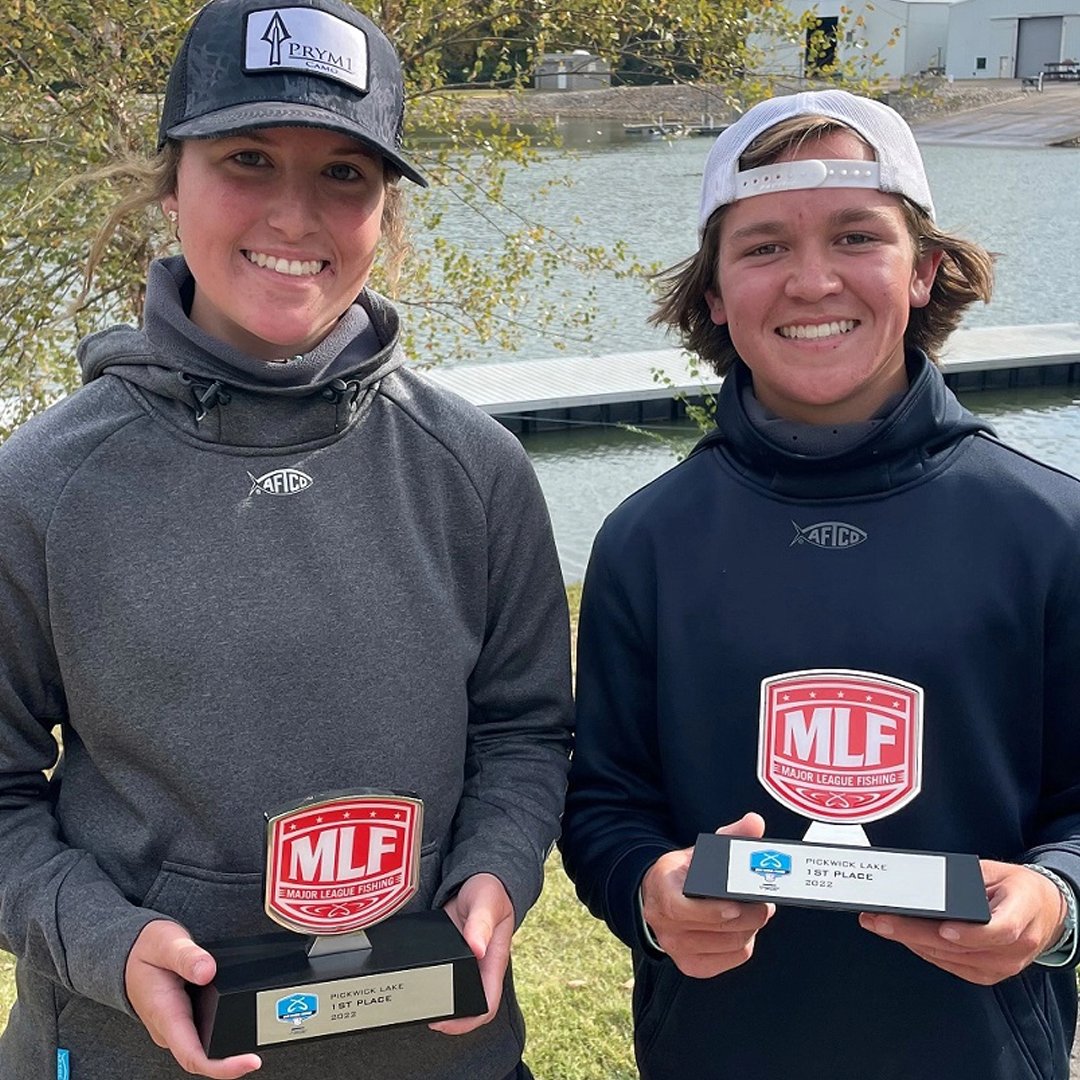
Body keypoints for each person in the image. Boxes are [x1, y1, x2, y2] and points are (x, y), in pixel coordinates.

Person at [0, 1, 572, 1078]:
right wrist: (109, 945)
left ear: (387, 210)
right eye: (248, 159)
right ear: (171, 183)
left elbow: (526, 734)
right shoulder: (41, 487)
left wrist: (499, 873)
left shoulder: (478, 472)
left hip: (436, 1055)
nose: (295, 216)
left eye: (345, 174)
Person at [560, 89, 1080, 1080]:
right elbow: (605, 807)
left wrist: (1054, 902)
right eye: (761, 247)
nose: (810, 281)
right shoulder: (646, 543)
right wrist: (650, 893)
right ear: (711, 291)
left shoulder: (1051, 530)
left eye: (855, 236)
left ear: (924, 270)